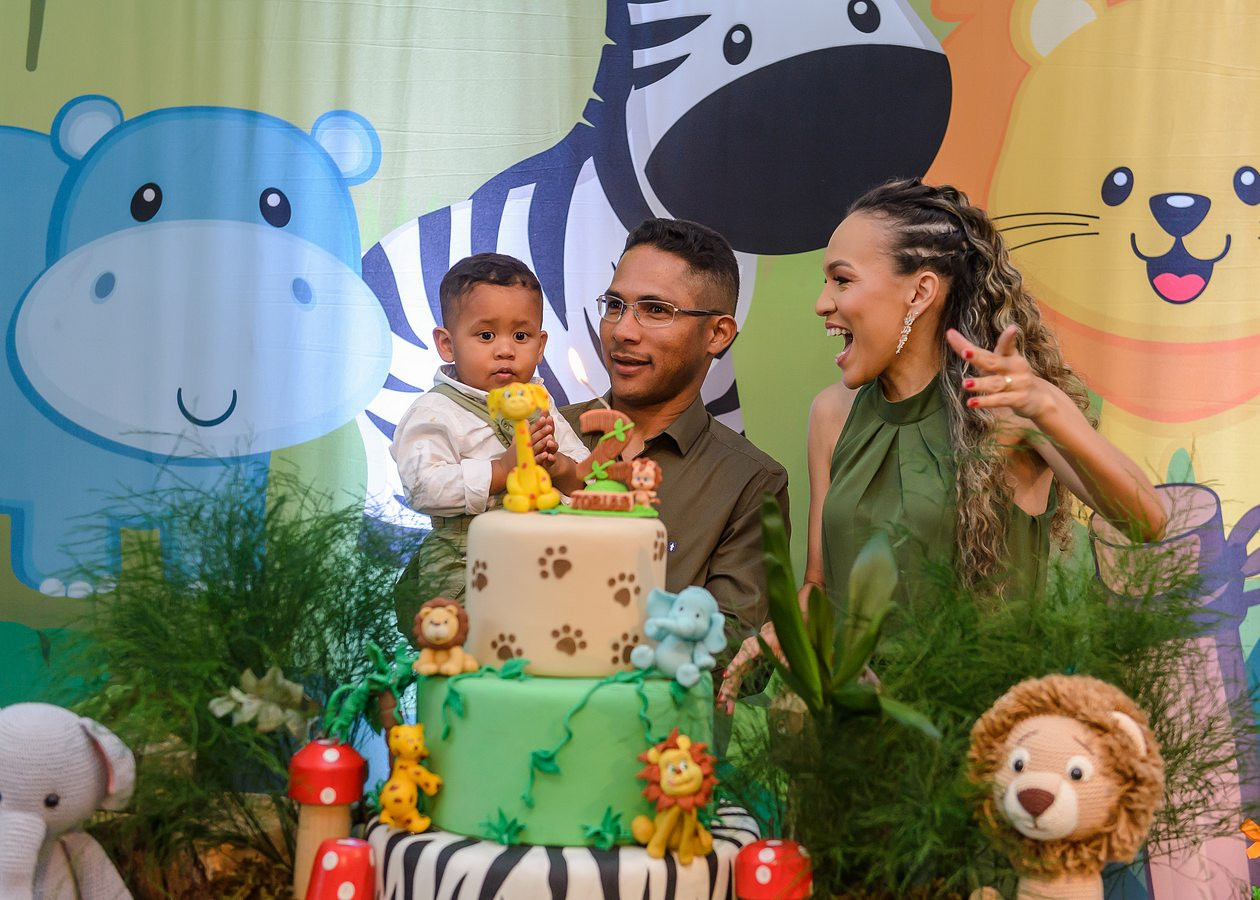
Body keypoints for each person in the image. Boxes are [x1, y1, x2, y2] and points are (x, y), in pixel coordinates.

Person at [717, 178, 1167, 711]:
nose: (822, 303)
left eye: (842, 280)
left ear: (920, 291)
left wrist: (1044, 404)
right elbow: (820, 587)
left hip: (985, 727)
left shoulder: (1009, 410)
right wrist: (783, 634)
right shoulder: (832, 414)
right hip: (853, 728)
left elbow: (1146, 521)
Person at [561, 218, 790, 638]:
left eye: (656, 310)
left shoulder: (751, 484)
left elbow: (730, 647)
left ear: (718, 334)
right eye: (615, 305)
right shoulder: (544, 435)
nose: (623, 331)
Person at [390, 253, 589, 637]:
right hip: (464, 562)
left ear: (540, 345)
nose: (505, 350)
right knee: (472, 645)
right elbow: (423, 487)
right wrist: (501, 470)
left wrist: (561, 467)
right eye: (485, 335)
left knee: (543, 638)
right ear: (447, 344)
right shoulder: (435, 411)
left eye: (521, 336)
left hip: (541, 558)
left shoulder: (541, 406)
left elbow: (586, 479)